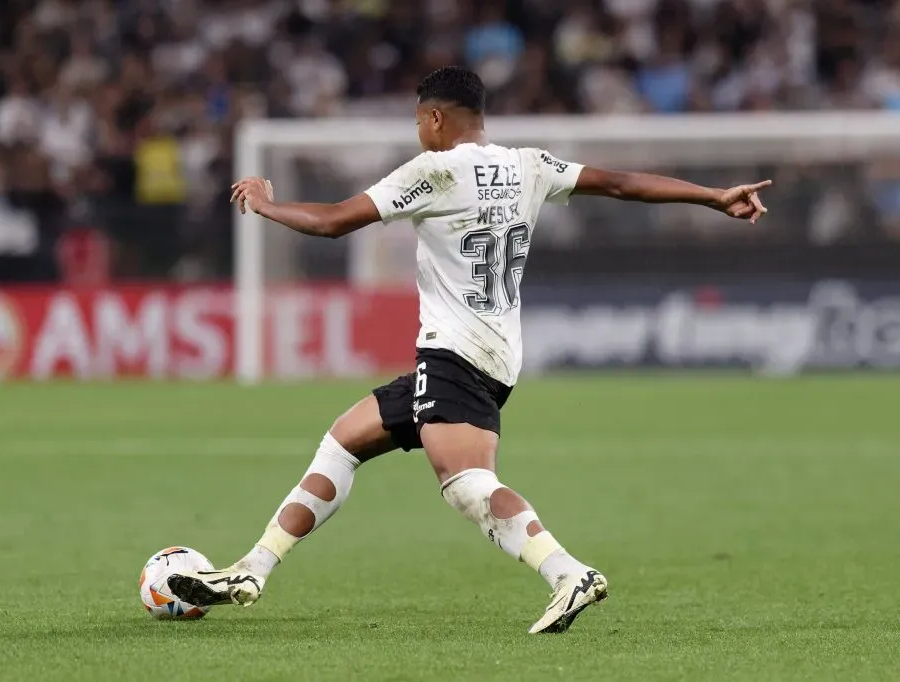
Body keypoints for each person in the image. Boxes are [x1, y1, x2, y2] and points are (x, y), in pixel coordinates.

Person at [168, 66, 770, 634]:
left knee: (464, 483)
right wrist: (712, 196)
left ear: (433, 119)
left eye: (417, 122)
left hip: (452, 353)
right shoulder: (529, 165)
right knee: (345, 440)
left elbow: (332, 221)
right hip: (499, 353)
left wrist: (265, 200)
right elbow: (619, 183)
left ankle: (568, 573)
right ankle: (254, 567)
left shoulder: (433, 172)